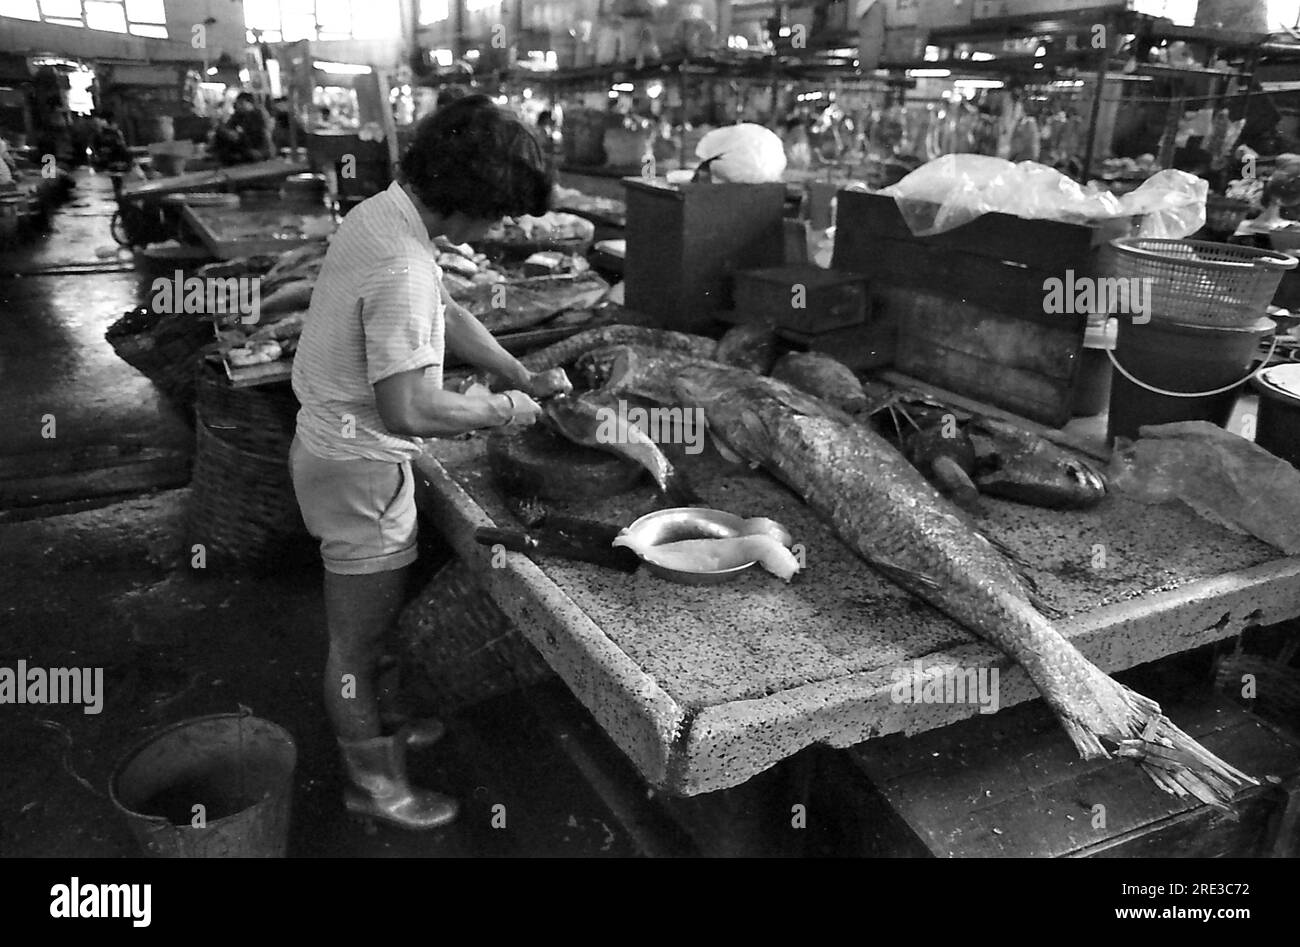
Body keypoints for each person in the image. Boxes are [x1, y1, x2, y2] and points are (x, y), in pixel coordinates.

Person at [290, 94, 570, 831]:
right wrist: (505, 412)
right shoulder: (402, 261)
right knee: (355, 641)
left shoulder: (383, 212)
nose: (505, 227)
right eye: (503, 212)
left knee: (370, 631)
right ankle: (371, 783)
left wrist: (517, 370)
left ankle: (376, 728)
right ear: (471, 199)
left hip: (333, 452)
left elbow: (444, 312)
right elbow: (410, 409)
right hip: (358, 469)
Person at [212, 91, 274, 165]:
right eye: (238, 103)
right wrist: (229, 132)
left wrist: (237, 134)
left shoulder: (257, 115)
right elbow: (228, 127)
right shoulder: (237, 116)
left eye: (241, 103)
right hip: (244, 148)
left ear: (250, 104)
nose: (238, 106)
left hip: (257, 148)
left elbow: (258, 134)